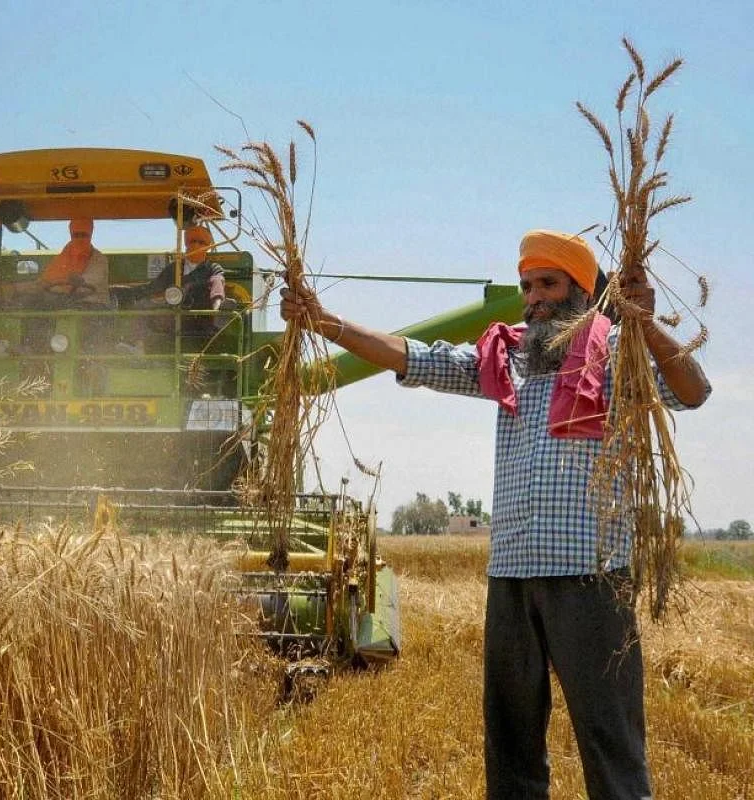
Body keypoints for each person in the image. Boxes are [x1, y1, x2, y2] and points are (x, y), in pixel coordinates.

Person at [280, 229, 711, 800]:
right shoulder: (505, 363)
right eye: (527, 285)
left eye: (548, 283)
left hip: (590, 581)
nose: (533, 297)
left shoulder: (617, 359)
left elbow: (692, 390)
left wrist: (643, 323)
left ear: (583, 292)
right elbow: (412, 357)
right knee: (510, 747)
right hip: (510, 579)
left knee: (611, 745)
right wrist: (324, 322)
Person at [34, 218, 109, 305]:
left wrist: (77, 280)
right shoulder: (61, 260)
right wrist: (17, 288)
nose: (80, 239)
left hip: (95, 308)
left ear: (90, 234)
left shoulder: (99, 260)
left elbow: (90, 282)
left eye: (84, 235)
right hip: (62, 307)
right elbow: (44, 282)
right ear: (71, 235)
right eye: (76, 235)